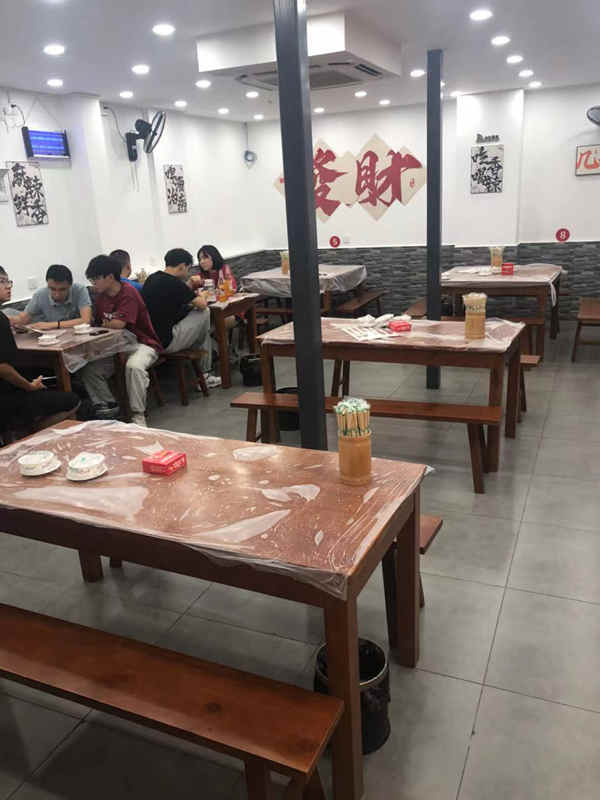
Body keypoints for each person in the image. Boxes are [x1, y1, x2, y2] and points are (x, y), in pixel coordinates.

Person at [80, 255, 161, 426]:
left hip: (143, 344)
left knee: (134, 367)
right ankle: (110, 410)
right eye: (91, 280)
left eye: (95, 279)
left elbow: (119, 324)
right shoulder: (101, 298)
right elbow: (101, 324)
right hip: (116, 347)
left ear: (110, 277)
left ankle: (138, 416)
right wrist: (109, 324)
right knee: (90, 370)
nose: (93, 284)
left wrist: (109, 324)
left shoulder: (128, 292)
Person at [0, 266, 79, 433]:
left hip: (7, 390)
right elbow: (3, 368)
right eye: (2, 281)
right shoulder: (1, 320)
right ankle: (26, 435)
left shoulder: (79, 291)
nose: (8, 286)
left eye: (8, 281)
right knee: (72, 400)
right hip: (6, 399)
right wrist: (29, 386)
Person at [142, 248, 221, 388]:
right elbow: (202, 305)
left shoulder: (152, 279)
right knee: (204, 313)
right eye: (188, 269)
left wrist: (189, 286)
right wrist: (204, 295)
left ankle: (203, 371)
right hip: (167, 342)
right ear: (182, 266)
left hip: (151, 338)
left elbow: (175, 297)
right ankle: (204, 375)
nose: (187, 273)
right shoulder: (174, 283)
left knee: (200, 326)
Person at [11, 264, 92, 330]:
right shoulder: (40, 295)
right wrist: (12, 321)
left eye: (62, 289)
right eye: (52, 289)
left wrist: (51, 325)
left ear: (70, 285)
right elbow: (23, 319)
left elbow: (86, 320)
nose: (57, 294)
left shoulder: (79, 290)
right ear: (47, 284)